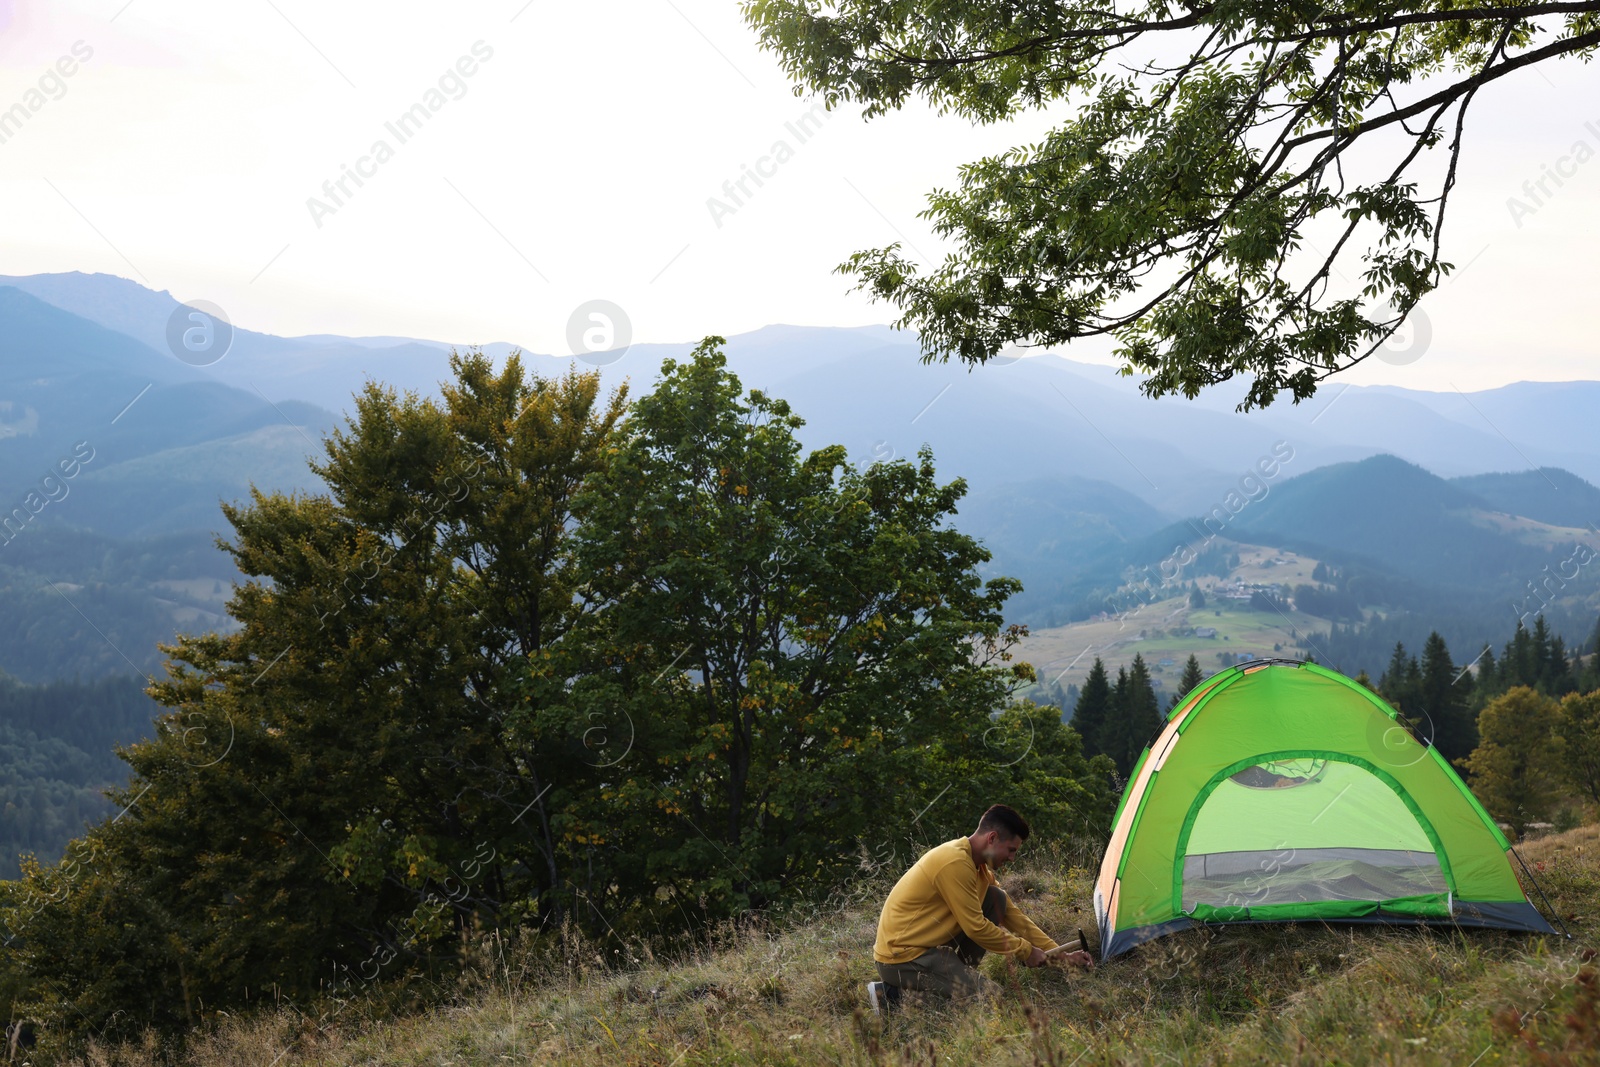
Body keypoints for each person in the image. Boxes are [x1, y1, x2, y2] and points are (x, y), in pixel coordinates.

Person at [868, 804, 1093, 1009]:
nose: (1013, 858)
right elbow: (976, 928)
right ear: (992, 838)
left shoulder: (979, 869)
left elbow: (1013, 916)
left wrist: (1061, 956)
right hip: (902, 958)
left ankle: (957, 978)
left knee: (996, 899)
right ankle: (890, 995)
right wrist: (1025, 951)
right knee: (992, 998)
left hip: (925, 947)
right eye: (1011, 850)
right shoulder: (955, 863)